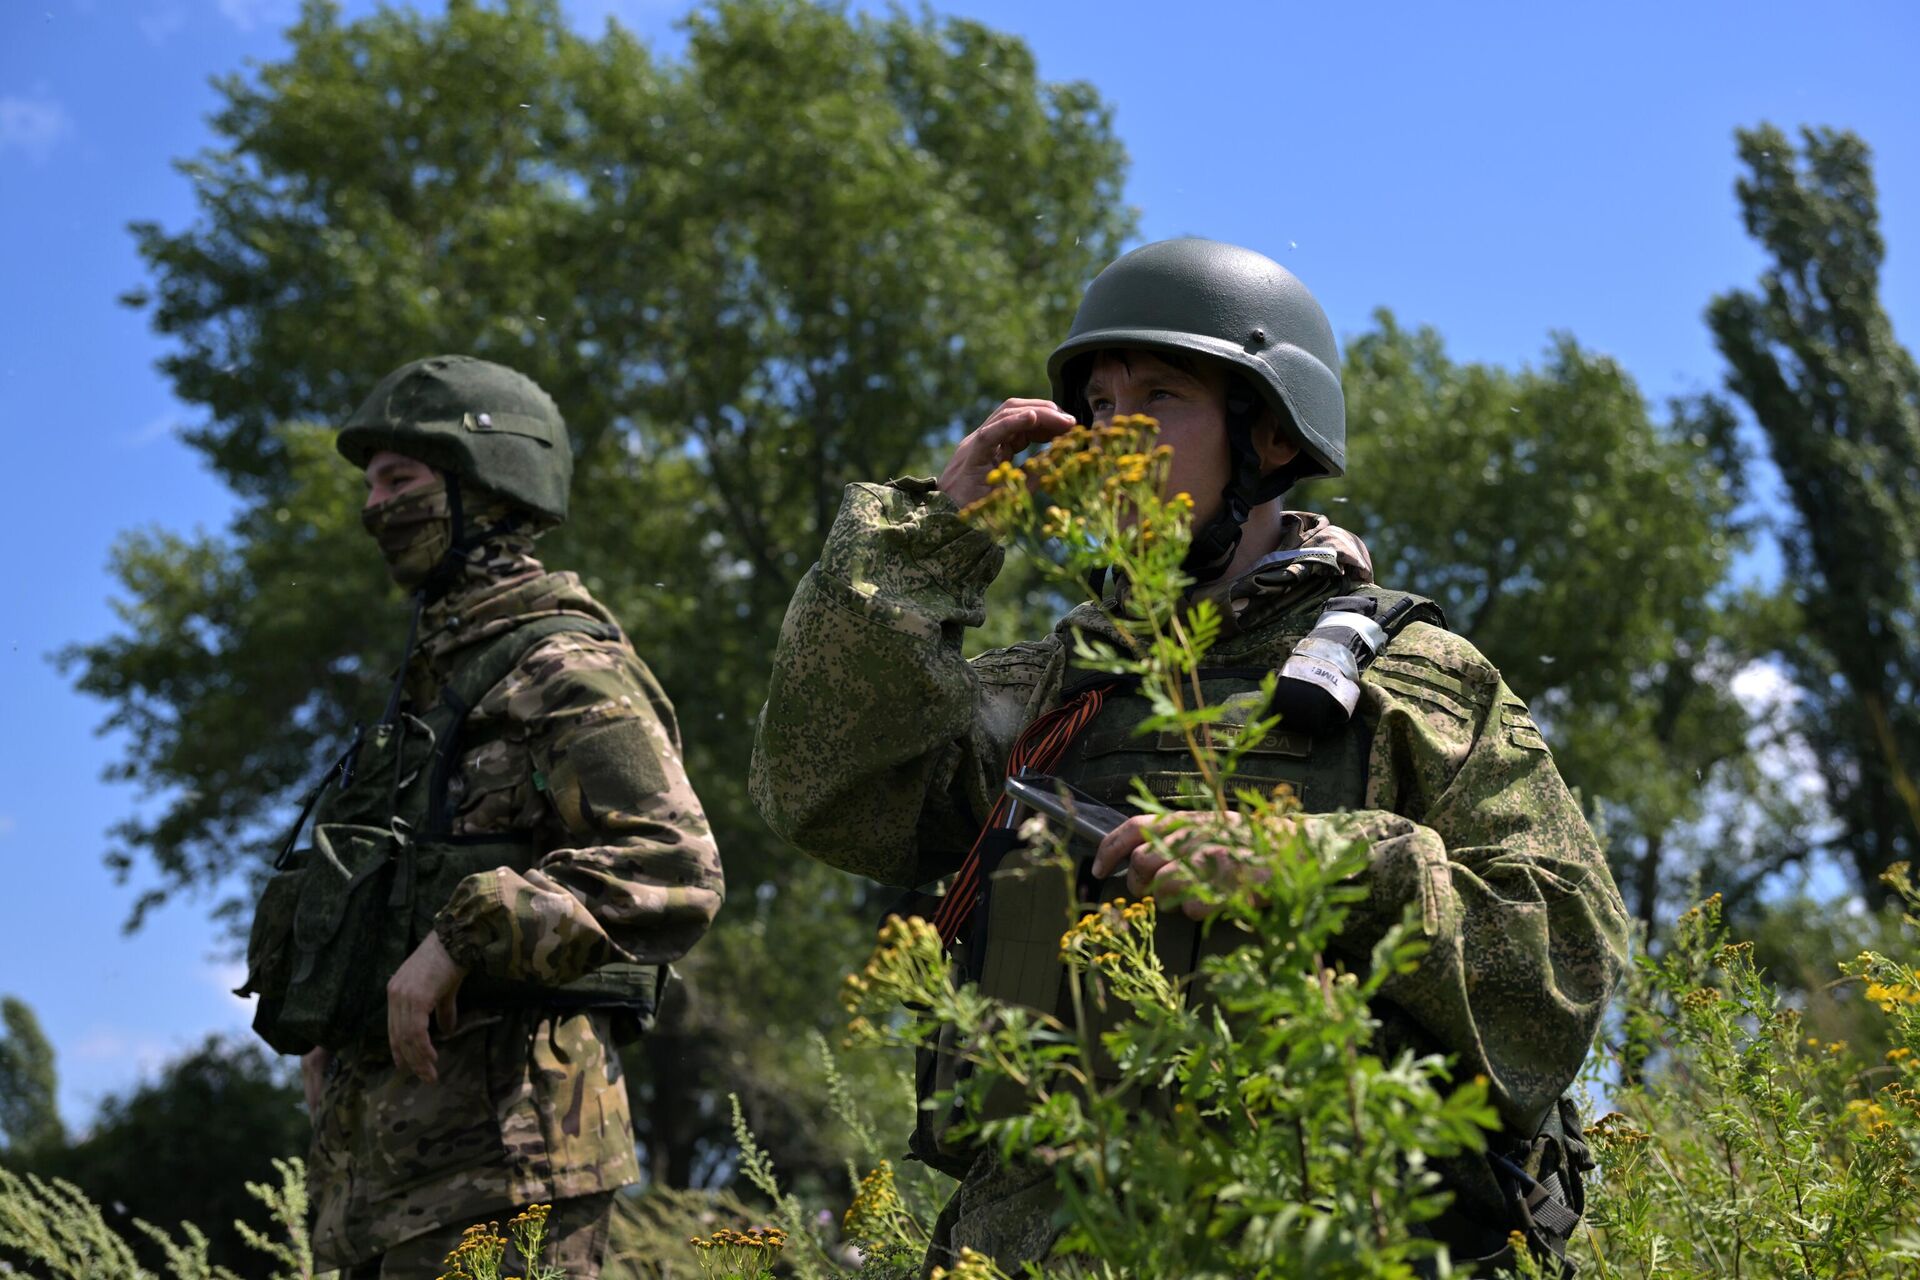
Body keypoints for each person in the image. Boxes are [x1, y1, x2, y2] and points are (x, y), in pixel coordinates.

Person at [749, 239, 1628, 1275]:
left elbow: (1565, 959)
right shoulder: (1048, 693)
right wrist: (931, 539)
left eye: (1159, 399)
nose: (1114, 437)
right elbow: (824, 790)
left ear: (1267, 434)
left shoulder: (1413, 686)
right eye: (1098, 408)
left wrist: (1312, 865)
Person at [239, 355, 723, 1277]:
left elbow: (672, 864)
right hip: (383, 1186)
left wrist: (459, 938)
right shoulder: (423, 692)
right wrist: (332, 1023)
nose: (374, 506)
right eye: (371, 484)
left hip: (513, 1165)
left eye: (400, 479)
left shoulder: (566, 666)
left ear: (484, 483)